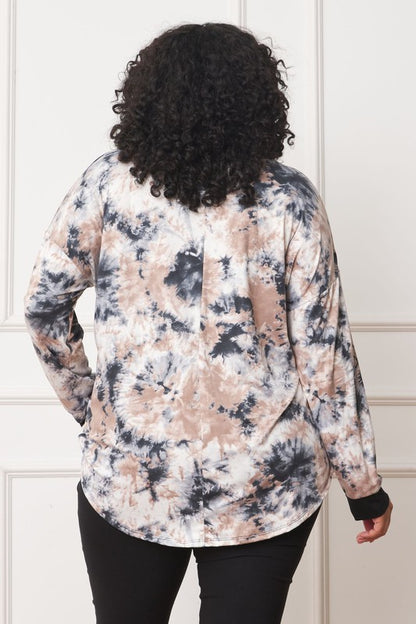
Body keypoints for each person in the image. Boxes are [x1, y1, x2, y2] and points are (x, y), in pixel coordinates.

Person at [23, 21, 393, 624]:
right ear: (257, 101)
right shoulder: (290, 200)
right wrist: (363, 486)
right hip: (263, 483)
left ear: (147, 97)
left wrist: (93, 406)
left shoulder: (105, 185)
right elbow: (324, 358)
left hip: (132, 474)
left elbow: (44, 306)